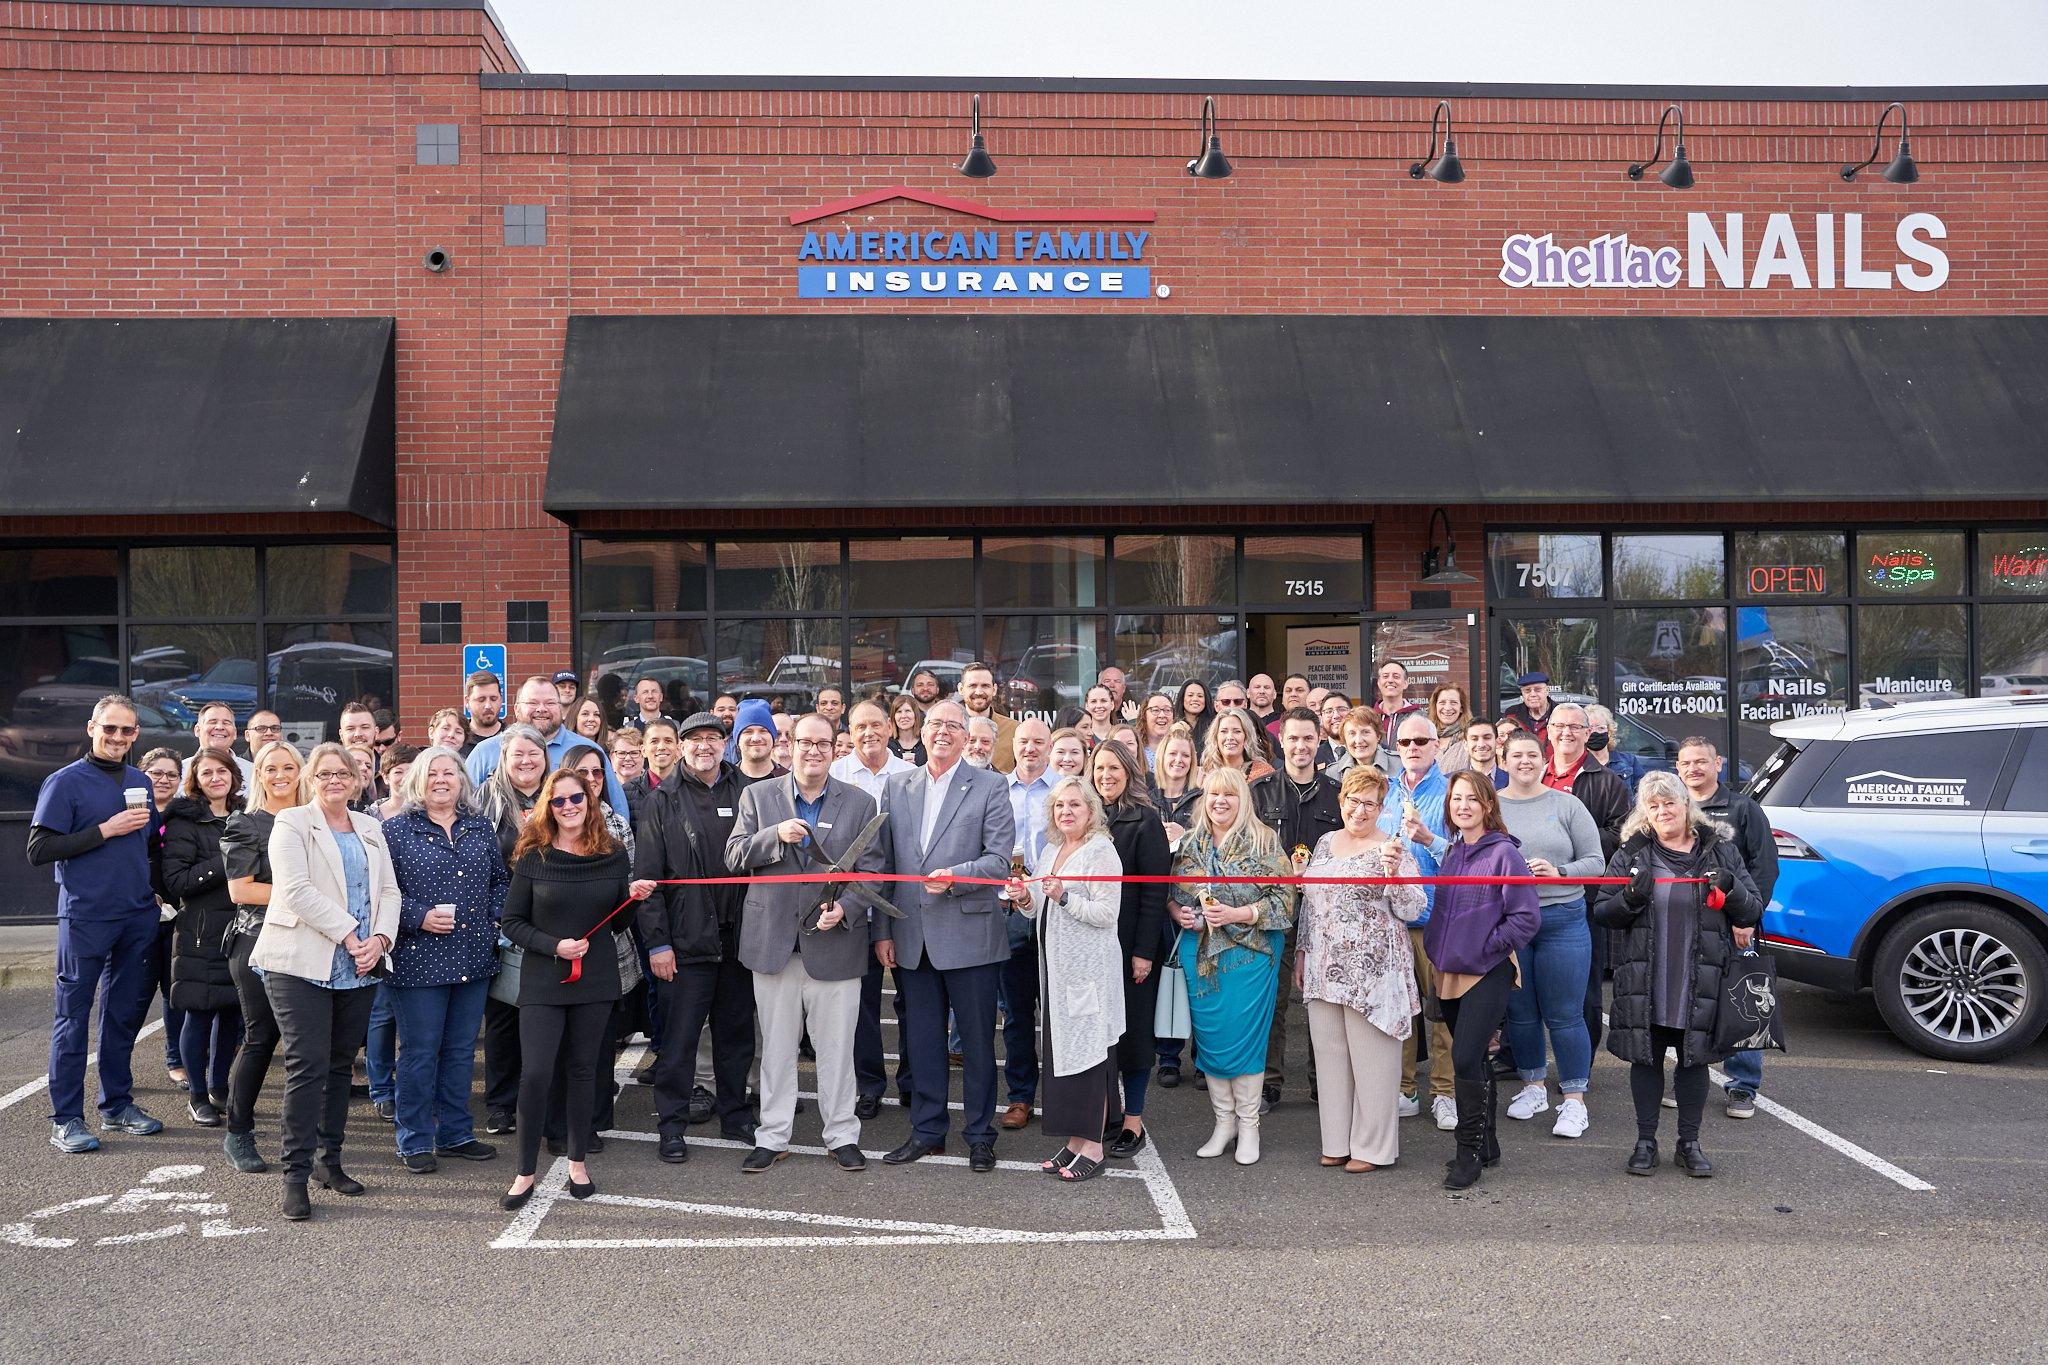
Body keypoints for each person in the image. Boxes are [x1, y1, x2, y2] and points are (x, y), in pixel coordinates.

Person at [725, 712, 888, 1173]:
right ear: (788, 746)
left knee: (837, 1049)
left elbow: (873, 871)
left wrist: (849, 909)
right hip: (773, 943)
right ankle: (772, 1135)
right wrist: (773, 836)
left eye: (823, 743)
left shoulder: (858, 802)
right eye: (804, 742)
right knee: (775, 1049)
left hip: (835, 945)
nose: (813, 751)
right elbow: (734, 856)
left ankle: (841, 1134)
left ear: (835, 749)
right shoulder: (757, 796)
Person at [255, 741, 401, 1220]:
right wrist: (350, 933)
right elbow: (295, 890)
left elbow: (388, 890)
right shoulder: (291, 823)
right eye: (324, 774)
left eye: (343, 773)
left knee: (340, 1065)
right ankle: (294, 1176)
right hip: (301, 961)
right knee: (308, 1065)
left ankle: (328, 1161)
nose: (334, 781)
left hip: (359, 963)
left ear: (357, 781)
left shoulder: (371, 827)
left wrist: (379, 939)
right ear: (309, 780)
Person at [499, 768, 656, 1210]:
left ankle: (577, 1162)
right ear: (548, 807)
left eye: (576, 799)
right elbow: (512, 922)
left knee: (586, 1071)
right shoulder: (534, 855)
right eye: (559, 801)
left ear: (590, 802)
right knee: (536, 1074)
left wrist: (633, 900)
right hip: (544, 979)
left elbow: (617, 923)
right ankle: (524, 1171)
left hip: (597, 978)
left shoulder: (612, 853)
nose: (568, 807)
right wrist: (556, 947)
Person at [1594, 771, 1762, 1178]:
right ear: (1644, 813)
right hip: (1647, 977)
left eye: (1670, 802)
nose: (1663, 811)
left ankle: (1689, 1143)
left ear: (1688, 805)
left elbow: (1752, 909)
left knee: (1694, 1061)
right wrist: (1631, 896)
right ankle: (1645, 1142)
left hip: (1699, 977)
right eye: (1653, 805)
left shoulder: (1720, 851)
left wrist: (1733, 890)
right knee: (1646, 1059)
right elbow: (1603, 912)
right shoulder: (1632, 854)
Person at [875, 699, 1015, 1172]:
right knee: (923, 1044)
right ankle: (928, 1131)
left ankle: (980, 1134)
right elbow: (884, 866)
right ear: (919, 728)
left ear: (967, 736)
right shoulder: (897, 786)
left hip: (970, 934)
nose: (942, 732)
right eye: (935, 723)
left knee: (976, 1045)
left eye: (953, 727)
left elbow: (999, 861)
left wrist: (957, 874)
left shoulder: (991, 786)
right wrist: (883, 930)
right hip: (911, 936)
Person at [29, 694, 167, 1153]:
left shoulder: (140, 781)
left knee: (122, 1015)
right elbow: (38, 849)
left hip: (136, 915)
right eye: (110, 728)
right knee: (73, 1017)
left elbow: (146, 847)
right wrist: (106, 829)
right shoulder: (64, 782)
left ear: (136, 736)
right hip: (86, 915)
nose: (117, 737)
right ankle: (66, 1118)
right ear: (92, 728)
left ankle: (116, 1105)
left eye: (127, 731)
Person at [380, 746, 509, 1172]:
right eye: (433, 773)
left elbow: (499, 882)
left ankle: (455, 1133)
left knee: (459, 1052)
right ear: (418, 780)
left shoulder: (479, 827)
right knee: (420, 1052)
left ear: (462, 780)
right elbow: (379, 894)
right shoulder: (395, 831)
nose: (441, 779)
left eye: (449, 772)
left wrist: (494, 919)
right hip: (419, 962)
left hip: (473, 958)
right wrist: (417, 917)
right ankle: (414, 1139)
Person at [637, 711, 758, 1160]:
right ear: (681, 746)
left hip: (739, 940)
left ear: (726, 744)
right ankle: (672, 1124)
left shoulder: (748, 791)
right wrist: (658, 944)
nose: (704, 746)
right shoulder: (662, 800)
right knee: (679, 1040)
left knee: (736, 1035)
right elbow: (647, 881)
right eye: (695, 739)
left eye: (713, 738)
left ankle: (736, 1114)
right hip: (685, 944)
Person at [1298, 765, 1425, 1172]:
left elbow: (1413, 908)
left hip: (1373, 971)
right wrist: (1302, 952)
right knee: (1331, 1058)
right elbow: (1310, 906)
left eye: (1370, 803)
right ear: (1342, 802)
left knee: (1373, 1062)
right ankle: (1335, 1141)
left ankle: (1373, 1148)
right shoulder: (1323, 843)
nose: (1361, 810)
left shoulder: (1392, 848)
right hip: (1322, 964)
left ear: (1381, 807)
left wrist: (1393, 876)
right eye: (1354, 800)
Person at [1167, 766, 1293, 1165]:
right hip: (1200, 953)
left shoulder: (1264, 840)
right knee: (1211, 1038)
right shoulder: (1190, 843)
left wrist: (1237, 914)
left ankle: (1249, 1125)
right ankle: (1224, 1123)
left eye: (1230, 795)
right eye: (1214, 795)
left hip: (1251, 955)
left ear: (1243, 799)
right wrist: (1179, 914)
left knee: (1247, 1040)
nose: (1220, 801)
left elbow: (1284, 902)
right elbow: (1172, 893)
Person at [1002, 777, 1126, 1182]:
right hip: (1055, 974)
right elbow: (1035, 906)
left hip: (1088, 973)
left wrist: (1065, 898)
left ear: (1091, 810)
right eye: (1059, 806)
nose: (1066, 811)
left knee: (1089, 1055)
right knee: (1062, 1054)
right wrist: (1024, 896)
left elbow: (1107, 914)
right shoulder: (1053, 849)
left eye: (1075, 804)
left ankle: (1093, 1144)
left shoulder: (1101, 851)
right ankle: (1074, 1140)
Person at [1425, 770, 1541, 1190]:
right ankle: (1488, 1144)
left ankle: (1467, 1151)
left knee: (1464, 1059)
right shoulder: (1454, 852)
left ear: (1488, 805)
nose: (1463, 806)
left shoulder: (1504, 855)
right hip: (1450, 971)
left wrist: (1490, 949)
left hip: (1486, 972)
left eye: (1472, 799)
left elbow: (1526, 917)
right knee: (1472, 1058)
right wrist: (1437, 949)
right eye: (1457, 798)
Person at [1496, 731, 1606, 1140]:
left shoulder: (1567, 804)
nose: (1524, 761)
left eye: (1531, 755)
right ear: (1503, 761)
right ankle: (1532, 1086)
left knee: (1565, 1013)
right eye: (1516, 755)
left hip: (1563, 916)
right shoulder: (1493, 806)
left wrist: (1560, 872)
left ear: (1543, 761)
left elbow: (1596, 861)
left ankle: (1574, 1100)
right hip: (1511, 920)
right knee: (1520, 1012)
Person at [1675, 736, 1779, 1120]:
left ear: (1717, 763)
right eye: (1686, 763)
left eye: (1701, 761)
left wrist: (1745, 918)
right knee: (1685, 1004)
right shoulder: (1674, 809)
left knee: (1743, 1005)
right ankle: (1685, 1077)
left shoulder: (1743, 809)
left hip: (1733, 926)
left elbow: (1764, 869)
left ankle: (1743, 1085)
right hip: (1685, 928)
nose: (1693, 770)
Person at [1252, 707, 1344, 1104]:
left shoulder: (1337, 793)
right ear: (1281, 741)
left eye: (1308, 738)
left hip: (1324, 910)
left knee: (1321, 999)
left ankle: (1321, 1081)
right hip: (1275, 907)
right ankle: (1270, 1080)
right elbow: (1249, 851)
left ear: (1319, 740)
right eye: (1293, 738)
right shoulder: (1260, 791)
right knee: (1273, 998)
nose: (1301, 746)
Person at [219, 739, 302, 1173]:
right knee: (261, 1036)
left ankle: (308, 1136)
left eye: (289, 766)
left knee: (307, 1045)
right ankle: (238, 1132)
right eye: (271, 768)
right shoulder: (247, 824)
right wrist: (307, 897)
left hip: (309, 942)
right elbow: (241, 890)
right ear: (259, 775)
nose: (281, 774)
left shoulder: (316, 819)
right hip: (257, 941)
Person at [158, 746, 246, 1127]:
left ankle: (219, 1086)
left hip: (241, 928)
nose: (215, 778)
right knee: (199, 1011)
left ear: (233, 776)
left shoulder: (245, 816)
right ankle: (197, 1094)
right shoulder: (184, 822)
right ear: (195, 780)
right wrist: (227, 858)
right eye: (206, 772)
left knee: (231, 1012)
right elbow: (176, 882)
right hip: (200, 931)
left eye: (221, 771)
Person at [1089, 740, 1168, 1158]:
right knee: (1099, 1036)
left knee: (1133, 1036)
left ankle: (1133, 1121)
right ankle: (1108, 1113)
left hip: (1129, 947)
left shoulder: (1145, 821)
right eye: (1100, 768)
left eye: (1114, 769)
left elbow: (1154, 896)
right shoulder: (1084, 820)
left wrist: (1143, 952)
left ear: (1129, 772)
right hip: (1091, 949)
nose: (1106, 776)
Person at [1544, 703, 1632, 1054]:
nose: (1566, 733)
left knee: (1583, 987)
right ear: (1548, 731)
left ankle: (1581, 1059)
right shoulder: (1530, 775)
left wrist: (1569, 838)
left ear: (1587, 734)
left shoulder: (1609, 783)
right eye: (1559, 726)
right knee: (1527, 984)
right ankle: (1524, 1061)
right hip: (1531, 896)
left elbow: (1621, 836)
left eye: (1574, 727)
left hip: (1583, 898)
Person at [478, 724, 551, 1135]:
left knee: (543, 1016)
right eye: (516, 755)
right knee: (504, 1015)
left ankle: (538, 1101)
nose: (525, 762)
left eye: (533, 754)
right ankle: (501, 1103)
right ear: (503, 760)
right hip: (502, 919)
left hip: (551, 918)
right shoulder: (485, 800)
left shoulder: (559, 794)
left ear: (545, 758)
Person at [1387, 713, 1457, 1130]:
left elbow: (1470, 856)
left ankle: (1444, 1093)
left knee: (1444, 1010)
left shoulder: (1453, 792)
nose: (1412, 748)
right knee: (1402, 1011)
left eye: (1420, 741)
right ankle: (1405, 1088)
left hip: (1440, 917)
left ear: (1436, 746)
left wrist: (1428, 839)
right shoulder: (1384, 791)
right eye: (1405, 742)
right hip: (1394, 918)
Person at [998, 719, 1054, 1132]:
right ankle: (1020, 1097)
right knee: (1018, 1014)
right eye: (1023, 742)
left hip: (1056, 910)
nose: (1030, 748)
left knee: (1058, 1012)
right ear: (1012, 746)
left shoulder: (1067, 791)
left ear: (1050, 747)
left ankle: (1061, 1094)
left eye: (1038, 742)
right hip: (1010, 913)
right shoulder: (996, 789)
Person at [467, 675, 628, 814]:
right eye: (533, 703)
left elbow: (617, 808)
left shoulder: (589, 751)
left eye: (550, 703)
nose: (542, 709)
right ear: (516, 709)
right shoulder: (485, 752)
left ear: (561, 708)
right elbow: (463, 808)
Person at [138, 746, 189, 1088]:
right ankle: (117, 1065)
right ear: (143, 775)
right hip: (138, 911)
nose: (164, 779)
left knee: (174, 992)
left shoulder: (183, 815)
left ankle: (176, 1060)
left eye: (172, 774)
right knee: (134, 994)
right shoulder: (130, 811)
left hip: (177, 914)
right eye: (157, 772)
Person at [957, 661, 1018, 774]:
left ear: (994, 690)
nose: (979, 692)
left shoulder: (1014, 730)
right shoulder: (949, 728)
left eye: (985, 686)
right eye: (972, 686)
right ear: (961, 689)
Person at [183, 701, 254, 785]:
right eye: (212, 722)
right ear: (197, 730)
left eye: (226, 723)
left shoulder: (253, 773)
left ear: (235, 733)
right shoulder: (180, 771)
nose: (220, 727)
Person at [1200, 708, 1272, 784]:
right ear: (1215, 737)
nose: (1230, 737)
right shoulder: (1204, 774)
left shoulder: (1263, 774)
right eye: (1224, 731)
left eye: (1237, 731)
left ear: (1246, 737)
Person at [624, 717, 677, 819]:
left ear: (678, 748)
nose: (661, 747)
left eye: (668, 741)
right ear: (643, 750)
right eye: (654, 741)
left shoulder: (693, 789)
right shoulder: (626, 793)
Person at [1325, 707, 1396, 784]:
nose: (1358, 740)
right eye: (1352, 733)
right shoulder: (1333, 773)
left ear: (1378, 736)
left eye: (1365, 732)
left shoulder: (1399, 764)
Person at [1372, 661, 1422, 753]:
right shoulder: (1369, 718)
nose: (1390, 680)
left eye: (1396, 677)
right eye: (1385, 676)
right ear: (1379, 683)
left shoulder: (1420, 718)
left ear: (1405, 684)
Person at [1430, 683, 1476, 771]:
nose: (1447, 708)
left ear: (1461, 708)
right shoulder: (1427, 738)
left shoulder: (1470, 738)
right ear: (1435, 707)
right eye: (1442, 702)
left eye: (1453, 702)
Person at [1503, 671, 1555, 746]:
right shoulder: (1511, 714)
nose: (1533, 694)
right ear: (1522, 694)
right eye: (1527, 690)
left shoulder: (1561, 713)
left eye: (1538, 690)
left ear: (1547, 690)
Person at [1448, 716, 1503, 786]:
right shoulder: (1449, 782)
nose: (1481, 744)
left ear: (1497, 742)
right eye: (1474, 739)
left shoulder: (1512, 781)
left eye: (1487, 738)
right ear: (1465, 744)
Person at [463, 671, 505, 754]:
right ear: (467, 702)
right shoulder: (458, 741)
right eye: (481, 700)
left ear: (501, 700)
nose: (488, 705)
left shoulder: (512, 738)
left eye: (493, 699)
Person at [375, 743, 419, 822]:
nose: (406, 777)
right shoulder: (372, 815)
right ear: (385, 777)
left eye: (411, 771)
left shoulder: (431, 811)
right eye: (398, 772)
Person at [1316, 691, 1351, 770]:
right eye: (1329, 711)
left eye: (1341, 709)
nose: (1336, 716)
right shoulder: (1313, 756)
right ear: (1321, 717)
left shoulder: (1367, 750)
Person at [1139, 692, 1176, 767]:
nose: (1162, 715)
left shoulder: (1182, 746)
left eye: (1167, 710)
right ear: (1144, 715)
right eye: (1155, 710)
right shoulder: (1134, 746)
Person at [888, 693, 926, 765]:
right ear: (893, 716)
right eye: (899, 712)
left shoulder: (926, 742)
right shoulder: (887, 745)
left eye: (908, 711)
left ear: (915, 714)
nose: (903, 716)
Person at [1176, 678, 1213, 751]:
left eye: (1200, 696)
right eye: (1190, 695)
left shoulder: (1213, 726)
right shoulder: (1172, 724)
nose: (1195, 699)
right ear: (1182, 698)